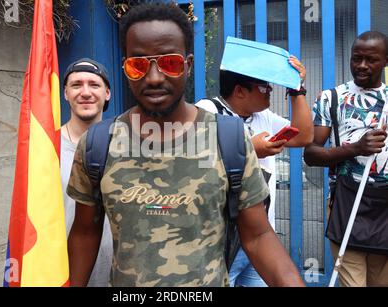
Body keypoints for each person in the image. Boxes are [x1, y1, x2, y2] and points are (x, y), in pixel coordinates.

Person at [67, 3, 304, 287]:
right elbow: (84, 233)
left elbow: (258, 236)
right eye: (138, 64)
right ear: (125, 68)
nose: (154, 78)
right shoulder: (98, 145)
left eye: (169, 63)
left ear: (188, 65)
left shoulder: (227, 139)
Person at [197, 56, 313, 286]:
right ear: (240, 91)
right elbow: (195, 160)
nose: (270, 90)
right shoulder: (206, 111)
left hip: (259, 236)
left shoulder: (263, 117)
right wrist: (250, 149)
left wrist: (297, 91)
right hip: (219, 241)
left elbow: (304, 136)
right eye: (263, 86)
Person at [304, 31, 388, 287]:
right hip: (347, 204)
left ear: (385, 61)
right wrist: (355, 149)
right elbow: (311, 154)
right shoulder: (332, 99)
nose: (361, 66)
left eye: (370, 60)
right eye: (356, 59)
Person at [60, 58, 113, 287]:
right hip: (60, 273)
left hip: (115, 275)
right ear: (65, 93)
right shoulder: (43, 146)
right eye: (76, 85)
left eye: (94, 84)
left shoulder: (127, 147)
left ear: (107, 93)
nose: (85, 92)